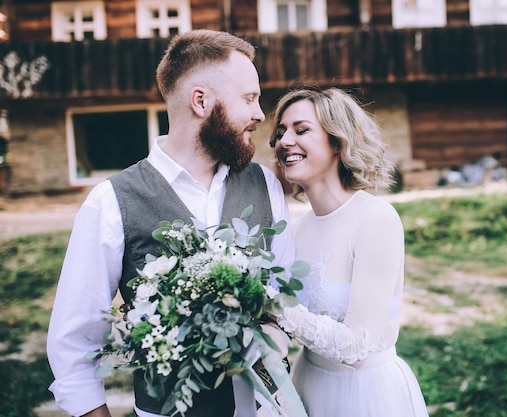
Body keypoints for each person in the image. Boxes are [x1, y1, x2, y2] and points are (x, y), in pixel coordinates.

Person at [46, 30, 295, 417]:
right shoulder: (110, 202)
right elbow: (73, 345)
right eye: (249, 98)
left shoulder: (264, 185)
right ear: (201, 101)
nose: (260, 114)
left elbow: (282, 300)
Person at [268, 88, 430, 417]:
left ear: (338, 141)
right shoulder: (298, 228)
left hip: (364, 395)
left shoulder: (375, 219)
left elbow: (358, 346)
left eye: (301, 130)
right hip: (308, 383)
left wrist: (271, 304)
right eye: (281, 132)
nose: (284, 141)